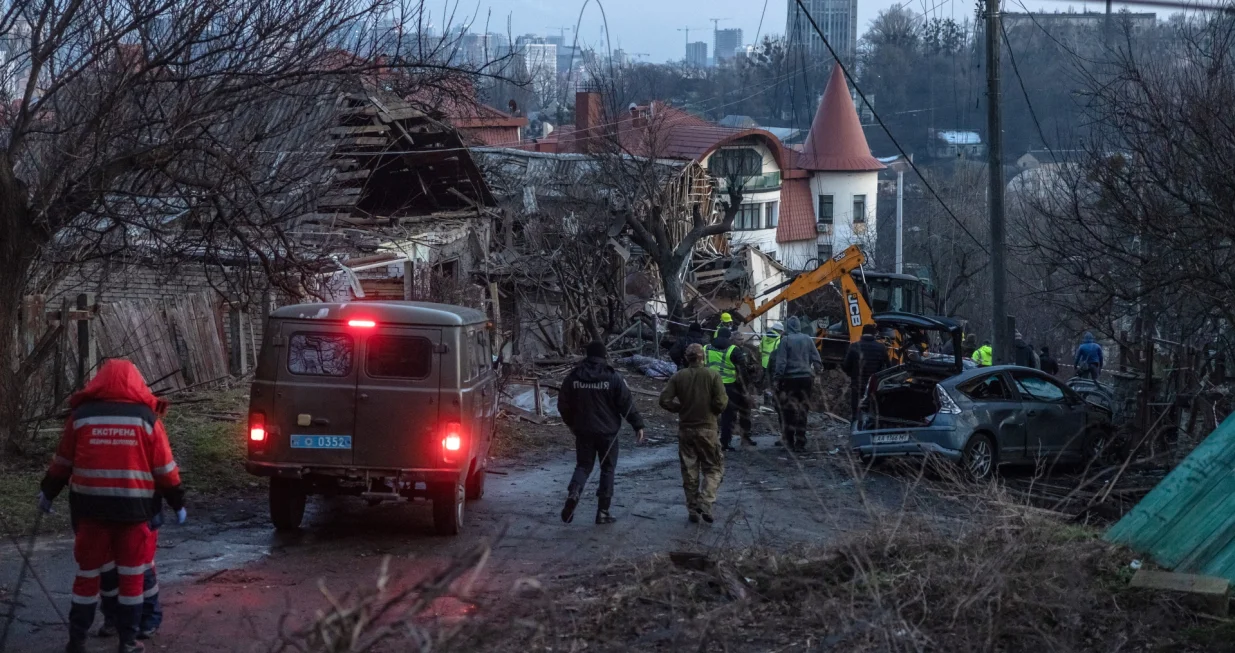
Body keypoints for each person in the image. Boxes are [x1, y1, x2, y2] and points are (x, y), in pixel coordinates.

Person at [38, 359, 186, 653]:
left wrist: (48, 492)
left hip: (90, 513)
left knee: (87, 577)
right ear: (136, 383)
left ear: (99, 382)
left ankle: (77, 640)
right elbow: (165, 470)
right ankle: (128, 642)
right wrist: (177, 502)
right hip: (133, 515)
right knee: (132, 579)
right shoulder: (146, 419)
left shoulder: (80, 417)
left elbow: (62, 462)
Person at [558, 341, 646, 525]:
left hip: (583, 431)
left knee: (583, 466)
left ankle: (574, 492)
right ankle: (603, 512)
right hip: (608, 433)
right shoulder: (612, 377)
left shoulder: (574, 377)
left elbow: (563, 404)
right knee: (607, 469)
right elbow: (626, 403)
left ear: (587, 354)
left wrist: (572, 424)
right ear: (604, 355)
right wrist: (638, 425)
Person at [659, 343, 728, 523]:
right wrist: (712, 410)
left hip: (686, 429)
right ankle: (705, 501)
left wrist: (680, 408)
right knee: (714, 468)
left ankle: (692, 510)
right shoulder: (713, 375)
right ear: (702, 357)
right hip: (708, 429)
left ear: (686, 358)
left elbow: (664, 400)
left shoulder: (678, 376)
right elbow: (721, 402)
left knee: (689, 471)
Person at [98, 496, 163, 640]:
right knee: (111, 569)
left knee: (138, 568)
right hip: (130, 512)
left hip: (130, 514)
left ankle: (143, 620)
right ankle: (138, 621)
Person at [772, 316, 821, 451]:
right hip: (806, 380)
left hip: (790, 380)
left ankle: (789, 442)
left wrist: (777, 379)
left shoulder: (785, 340)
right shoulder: (807, 339)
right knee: (803, 410)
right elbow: (816, 358)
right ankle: (801, 442)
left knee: (789, 411)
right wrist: (817, 373)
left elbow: (781, 362)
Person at [706, 327, 754, 450]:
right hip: (729, 386)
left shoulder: (705, 348)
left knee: (709, 413)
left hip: (709, 385)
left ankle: (708, 439)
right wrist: (745, 387)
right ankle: (725, 443)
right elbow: (743, 371)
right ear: (729, 338)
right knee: (728, 415)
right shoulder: (734, 350)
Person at [842, 324, 890, 419]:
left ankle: (855, 429)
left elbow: (845, 366)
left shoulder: (854, 346)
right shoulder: (881, 348)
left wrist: (853, 375)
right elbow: (888, 367)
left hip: (857, 385)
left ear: (862, 333)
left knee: (856, 412)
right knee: (873, 412)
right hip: (874, 387)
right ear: (874, 334)